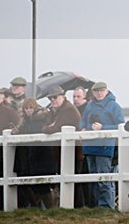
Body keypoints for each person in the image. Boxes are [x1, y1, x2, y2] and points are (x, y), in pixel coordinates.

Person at [78, 81, 124, 209]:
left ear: (106, 91)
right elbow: (83, 120)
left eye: (101, 91)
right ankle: (95, 206)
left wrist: (103, 127)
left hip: (105, 147)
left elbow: (121, 126)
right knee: (93, 178)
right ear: (92, 92)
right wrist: (82, 128)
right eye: (96, 91)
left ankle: (106, 206)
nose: (99, 93)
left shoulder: (113, 106)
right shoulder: (90, 105)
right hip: (89, 146)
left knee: (104, 179)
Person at [42, 85, 82, 206]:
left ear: (63, 97)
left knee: (73, 181)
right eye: (50, 98)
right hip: (60, 152)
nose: (52, 100)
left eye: (55, 97)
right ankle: (68, 206)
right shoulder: (54, 111)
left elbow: (55, 127)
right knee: (65, 179)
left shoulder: (69, 110)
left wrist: (51, 127)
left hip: (73, 152)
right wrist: (50, 127)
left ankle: (76, 206)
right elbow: (45, 126)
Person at [13, 98, 56, 208]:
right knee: (35, 185)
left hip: (42, 157)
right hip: (32, 157)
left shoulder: (38, 121)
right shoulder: (26, 122)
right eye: (26, 108)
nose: (28, 110)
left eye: (31, 108)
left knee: (42, 186)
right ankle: (41, 208)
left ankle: (49, 208)